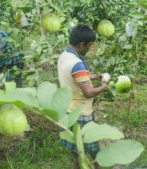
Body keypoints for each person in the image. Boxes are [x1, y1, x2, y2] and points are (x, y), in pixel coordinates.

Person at [57, 25, 108, 169]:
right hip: (81, 112)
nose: (90, 48)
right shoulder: (77, 64)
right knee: (92, 149)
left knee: (75, 148)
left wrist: (95, 76)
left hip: (68, 110)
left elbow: (75, 76)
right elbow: (88, 92)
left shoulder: (65, 55)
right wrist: (103, 88)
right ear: (81, 45)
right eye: (90, 45)